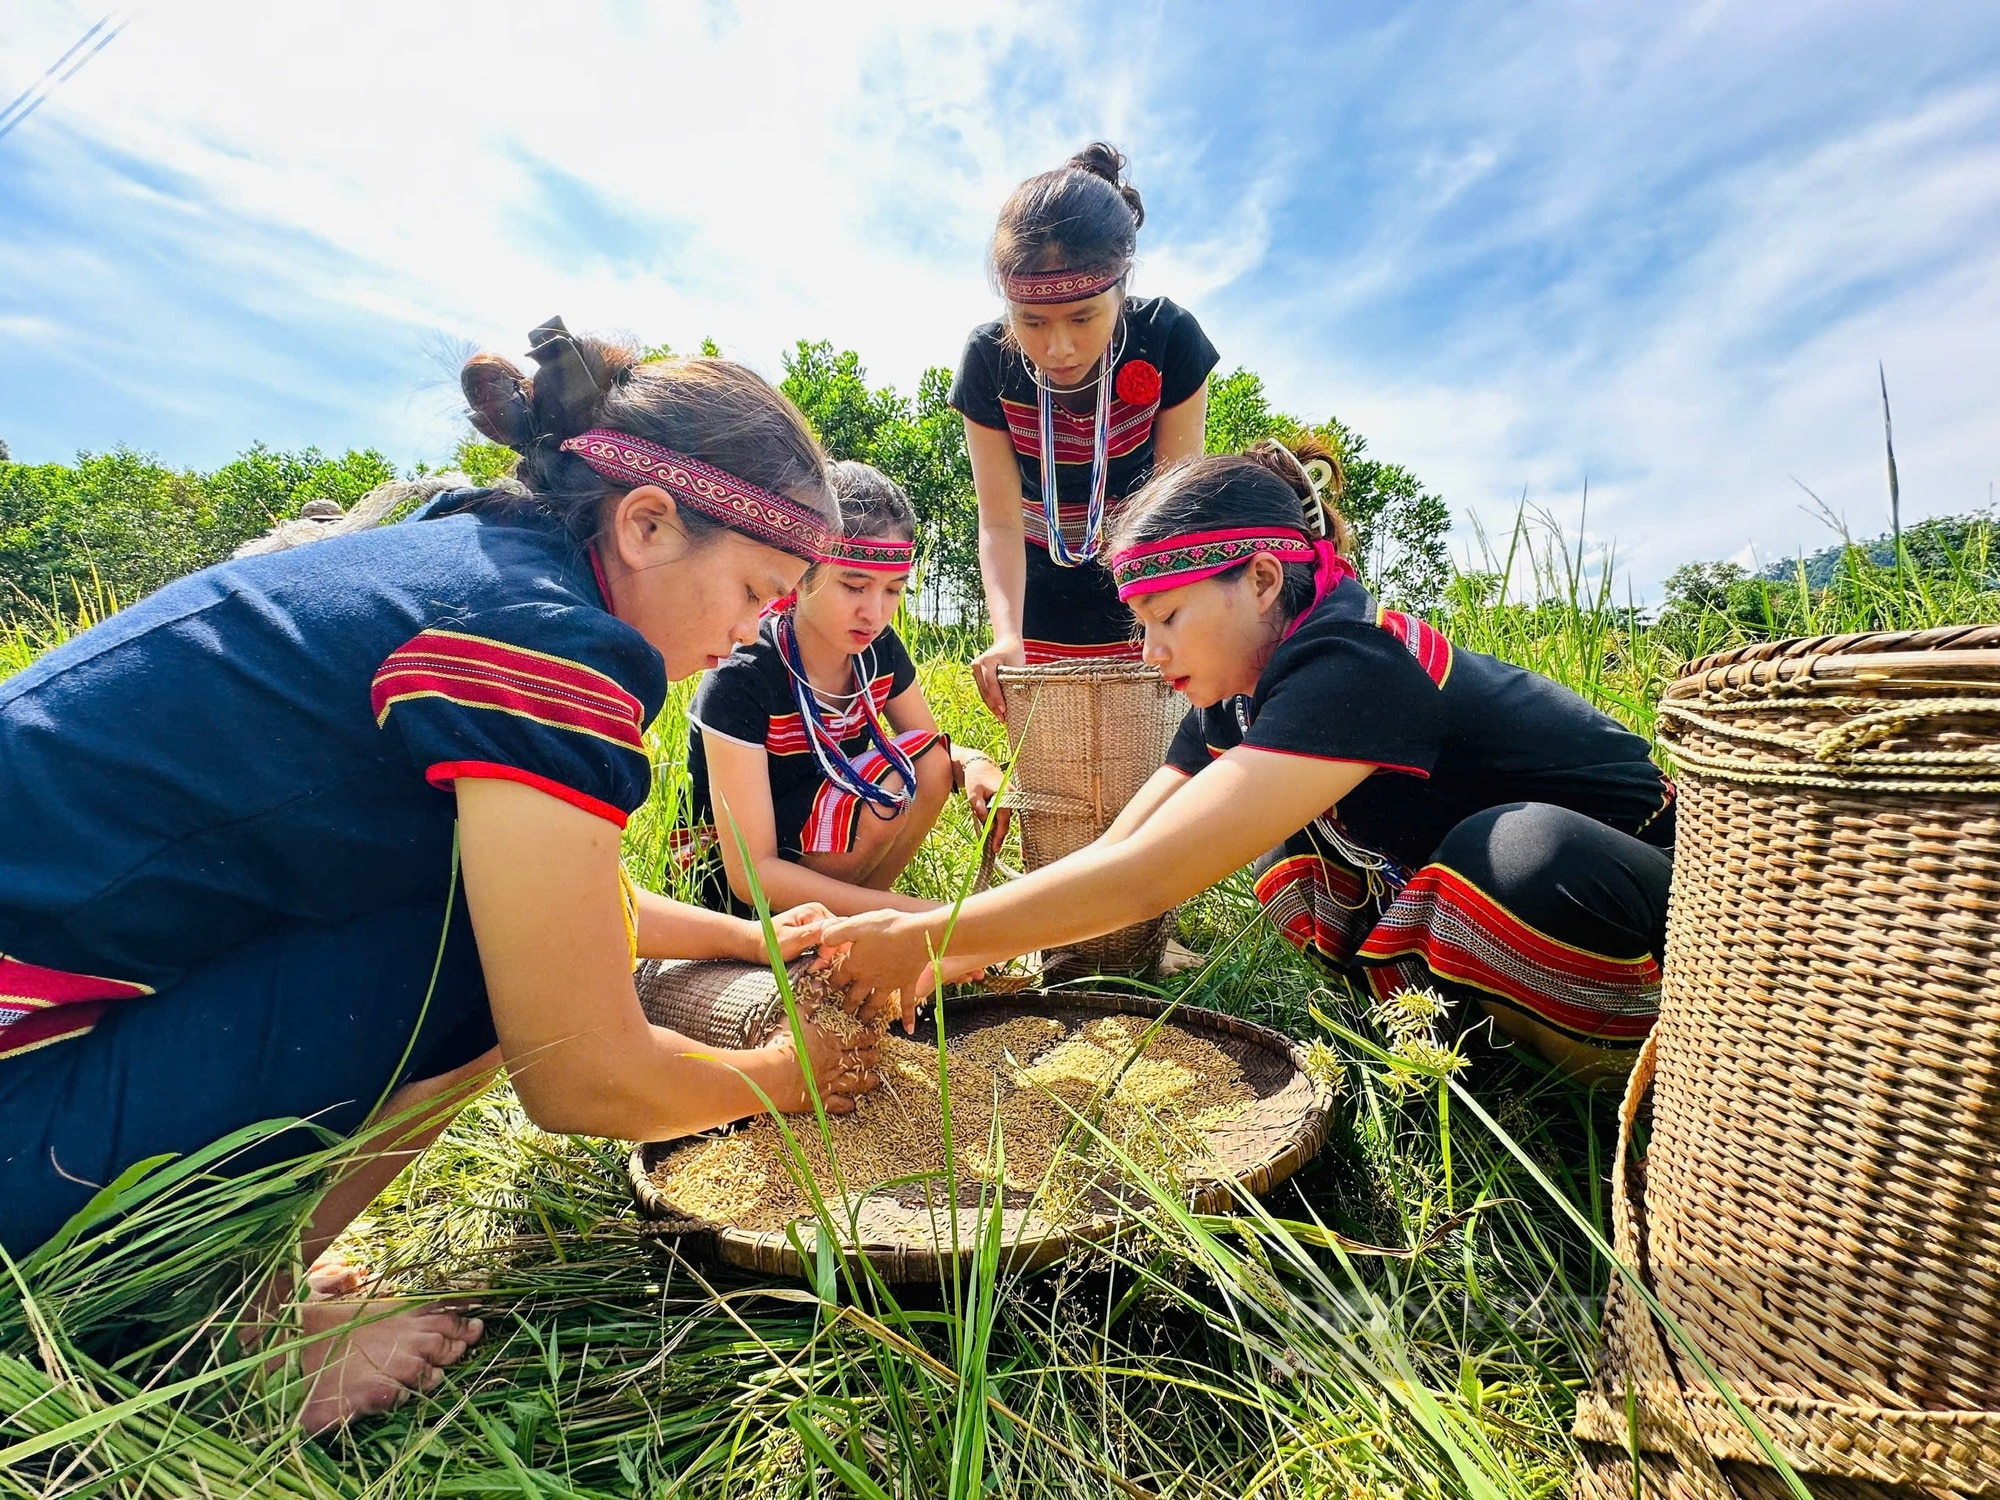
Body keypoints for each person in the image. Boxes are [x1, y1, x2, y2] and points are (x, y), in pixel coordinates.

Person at [0, 319, 881, 1431]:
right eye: (757, 588)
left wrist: (749, 941)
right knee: (477, 961)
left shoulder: (469, 560)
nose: (755, 632)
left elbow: (564, 898)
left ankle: (231, 1273)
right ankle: (220, 1335)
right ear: (648, 524)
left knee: (485, 921)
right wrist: (783, 1082)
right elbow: (579, 1073)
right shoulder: (551, 642)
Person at [822, 440, 1677, 1080]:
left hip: (1663, 891)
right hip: (1470, 872)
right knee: (1290, 862)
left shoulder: (1356, 660)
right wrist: (966, 951)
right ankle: (1461, 1041)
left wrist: (921, 934)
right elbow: (1118, 851)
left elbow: (1152, 880)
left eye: (1168, 617)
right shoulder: (1235, 690)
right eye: (1141, 627)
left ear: (1263, 580)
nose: (1151, 652)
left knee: (1521, 858)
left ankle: (1634, 1074)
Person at [950, 142, 1220, 718]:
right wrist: (1007, 637)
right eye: (1032, 322)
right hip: (1036, 600)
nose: (1059, 348)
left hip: (1142, 594)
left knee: (1149, 777)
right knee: (1053, 788)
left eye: (1082, 318)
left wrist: (1166, 628)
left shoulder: (1169, 340)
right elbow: (998, 520)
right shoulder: (987, 362)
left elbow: (1173, 514)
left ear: (1121, 289)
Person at [684, 460, 1008, 916]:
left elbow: (930, 750)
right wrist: (910, 914)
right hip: (738, 890)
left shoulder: (878, 650)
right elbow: (750, 873)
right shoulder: (743, 676)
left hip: (830, 844)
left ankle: (855, 925)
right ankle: (870, 921)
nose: (874, 613)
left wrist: (973, 764)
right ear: (801, 575)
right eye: (855, 586)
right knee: (884, 797)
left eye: (894, 590)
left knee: (929, 763)